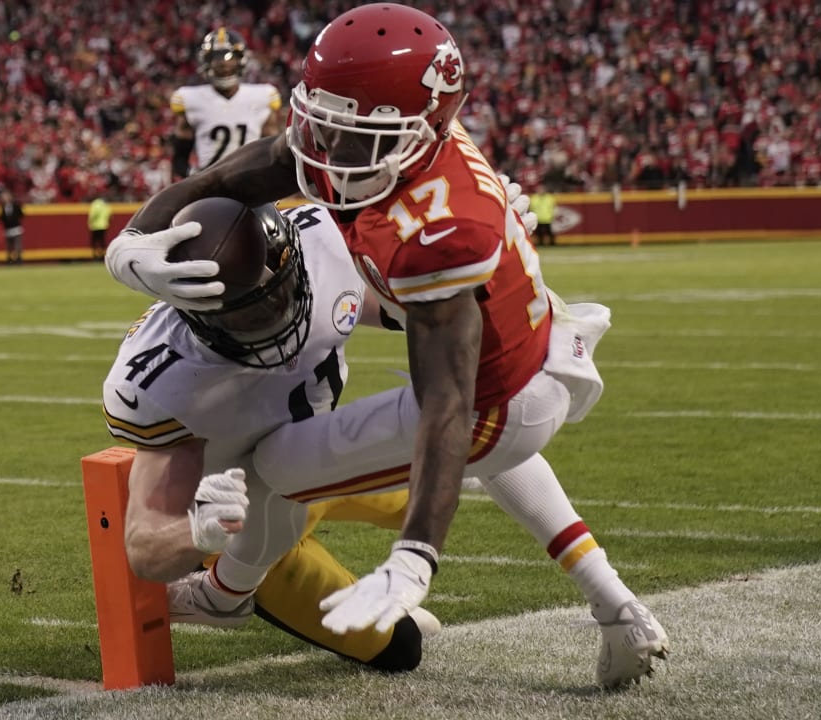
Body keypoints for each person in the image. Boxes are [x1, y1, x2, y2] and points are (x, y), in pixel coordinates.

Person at [106, 3, 667, 689]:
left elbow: (449, 406)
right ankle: (615, 605)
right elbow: (140, 542)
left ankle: (226, 595)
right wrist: (129, 241)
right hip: (258, 506)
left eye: (355, 135)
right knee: (299, 508)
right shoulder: (161, 377)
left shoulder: (383, 233)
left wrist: (415, 558)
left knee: (285, 468)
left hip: (481, 399)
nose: (328, 152)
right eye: (326, 125)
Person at [104, 197, 449, 671]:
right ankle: (224, 590)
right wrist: (199, 532)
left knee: (429, 491)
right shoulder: (164, 384)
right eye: (245, 315)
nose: (272, 319)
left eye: (276, 296)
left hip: (318, 460)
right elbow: (144, 545)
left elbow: (368, 301)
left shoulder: (321, 243)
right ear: (196, 315)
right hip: (248, 525)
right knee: (399, 646)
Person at [169, 28, 282, 181]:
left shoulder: (263, 96)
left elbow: (274, 152)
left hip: (251, 181)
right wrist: (193, 180)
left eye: (230, 57)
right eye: (217, 58)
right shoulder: (191, 99)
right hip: (210, 183)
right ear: (207, 62)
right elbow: (180, 158)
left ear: (241, 59)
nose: (223, 64)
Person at [0, 189, 25, 264]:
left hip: (16, 229)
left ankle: (19, 259)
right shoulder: (3, 207)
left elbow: (21, 214)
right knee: (9, 246)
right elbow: (1, 218)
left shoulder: (16, 205)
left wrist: (14, 220)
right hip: (7, 229)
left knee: (17, 245)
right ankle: (9, 260)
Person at [87, 195, 111, 259]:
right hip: (104, 225)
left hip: (95, 226)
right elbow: (109, 214)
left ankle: (95, 255)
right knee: (102, 241)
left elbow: (93, 214)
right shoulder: (105, 204)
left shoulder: (95, 204)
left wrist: (90, 222)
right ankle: (103, 255)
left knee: (94, 241)